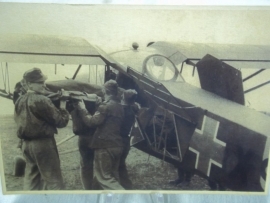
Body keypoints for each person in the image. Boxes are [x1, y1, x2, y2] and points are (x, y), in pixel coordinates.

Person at [14, 67, 69, 190]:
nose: (43, 85)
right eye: (39, 83)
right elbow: (61, 122)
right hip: (43, 145)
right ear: (29, 84)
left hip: (26, 145)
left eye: (43, 82)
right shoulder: (43, 100)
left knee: (31, 180)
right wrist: (63, 104)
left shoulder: (19, 100)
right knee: (54, 180)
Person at [75, 80, 125, 190]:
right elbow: (109, 120)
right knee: (113, 176)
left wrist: (83, 110)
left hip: (105, 146)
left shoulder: (105, 106)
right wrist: (99, 105)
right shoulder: (120, 106)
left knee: (104, 178)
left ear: (104, 91)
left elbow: (92, 122)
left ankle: (124, 197)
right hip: (117, 145)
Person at [119, 89, 139, 189]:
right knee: (121, 164)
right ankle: (125, 185)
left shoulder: (122, 109)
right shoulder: (134, 108)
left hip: (119, 140)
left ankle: (126, 186)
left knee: (119, 165)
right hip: (126, 140)